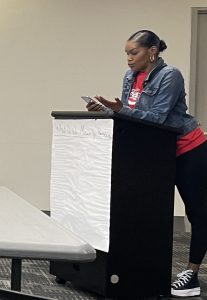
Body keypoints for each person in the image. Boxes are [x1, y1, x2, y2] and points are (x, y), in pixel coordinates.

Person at [86, 30, 207, 297]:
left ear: (151, 51)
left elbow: (158, 118)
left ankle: (192, 274)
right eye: (126, 53)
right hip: (155, 153)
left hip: (188, 150)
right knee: (146, 211)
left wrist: (119, 110)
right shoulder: (130, 76)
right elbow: (132, 117)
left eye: (134, 53)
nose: (128, 59)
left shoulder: (170, 75)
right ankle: (143, 268)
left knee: (197, 212)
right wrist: (106, 111)